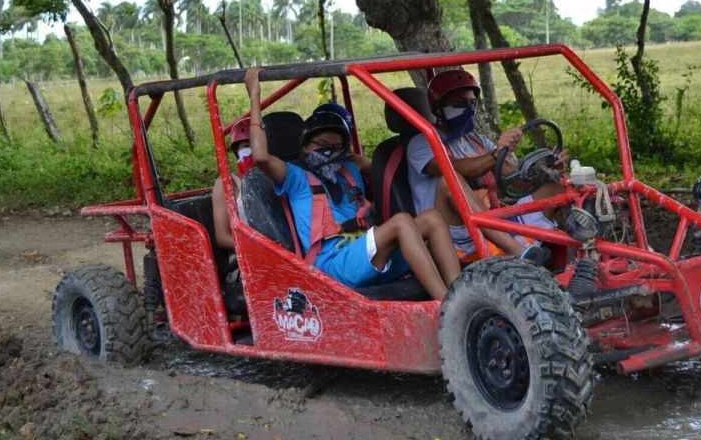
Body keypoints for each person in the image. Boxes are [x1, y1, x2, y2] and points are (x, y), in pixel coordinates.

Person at [245, 68, 461, 300]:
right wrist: (255, 96)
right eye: (321, 144)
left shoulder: (349, 169)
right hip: (333, 262)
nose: (329, 151)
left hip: (365, 251)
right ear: (306, 146)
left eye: (336, 147)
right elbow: (261, 157)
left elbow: (380, 167)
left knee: (433, 218)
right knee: (401, 222)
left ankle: (462, 295)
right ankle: (449, 308)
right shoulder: (295, 177)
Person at [406, 70, 566, 257]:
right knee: (452, 180)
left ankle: (582, 251)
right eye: (459, 103)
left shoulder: (477, 140)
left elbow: (515, 179)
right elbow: (458, 168)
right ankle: (517, 250)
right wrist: (496, 154)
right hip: (456, 234)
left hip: (497, 221)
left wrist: (545, 168)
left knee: (558, 186)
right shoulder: (422, 142)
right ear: (439, 106)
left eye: (471, 103)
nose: (468, 109)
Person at [211, 116, 254, 251]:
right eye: (246, 146)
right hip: (245, 254)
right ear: (237, 151)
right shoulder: (227, 183)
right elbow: (223, 237)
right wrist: (256, 248)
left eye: (256, 144)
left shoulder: (274, 176)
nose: (253, 150)